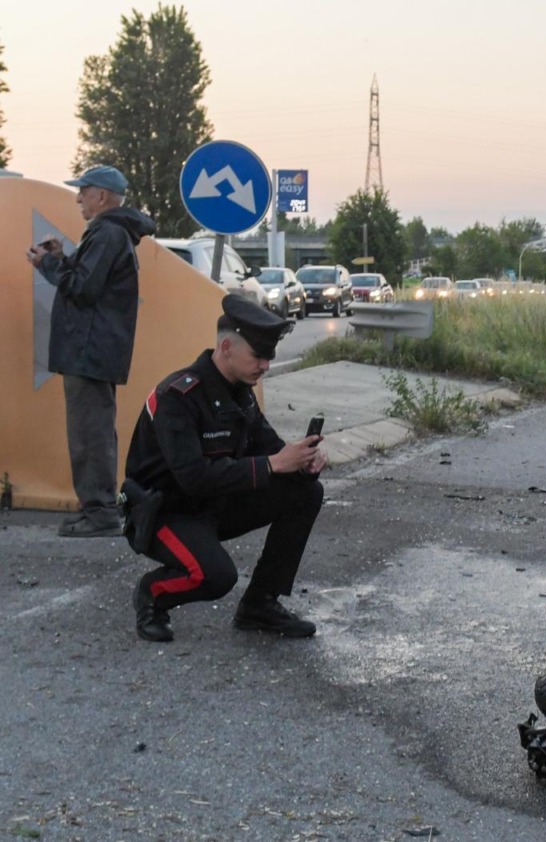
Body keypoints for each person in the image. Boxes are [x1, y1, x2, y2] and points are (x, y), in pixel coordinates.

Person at [123, 296, 327, 642]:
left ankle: (260, 604)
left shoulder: (241, 393)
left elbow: (270, 448)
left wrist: (302, 462)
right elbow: (194, 478)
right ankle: (152, 594)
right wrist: (273, 464)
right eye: (258, 356)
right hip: (164, 512)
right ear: (227, 347)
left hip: (213, 505)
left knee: (305, 491)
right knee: (217, 576)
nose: (265, 365)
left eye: (269, 357)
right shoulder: (177, 396)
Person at [25, 165, 157, 537]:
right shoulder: (112, 233)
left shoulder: (108, 232)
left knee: (90, 434)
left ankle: (100, 514)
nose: (78, 198)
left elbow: (83, 290)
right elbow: (89, 281)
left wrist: (48, 263)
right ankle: (96, 509)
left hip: (89, 351)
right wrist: (63, 257)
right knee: (93, 431)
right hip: (94, 350)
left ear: (101, 195)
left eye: (83, 191)